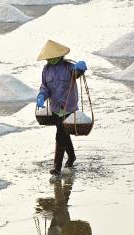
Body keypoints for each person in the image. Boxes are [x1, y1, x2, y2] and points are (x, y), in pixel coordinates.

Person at [35, 40, 87, 179]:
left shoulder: (68, 67)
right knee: (64, 131)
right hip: (56, 107)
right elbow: (45, 87)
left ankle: (57, 168)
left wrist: (80, 69)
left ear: (60, 55)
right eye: (49, 58)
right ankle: (72, 157)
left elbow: (76, 74)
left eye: (53, 57)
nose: (51, 60)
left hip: (68, 106)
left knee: (61, 133)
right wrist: (41, 96)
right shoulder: (46, 70)